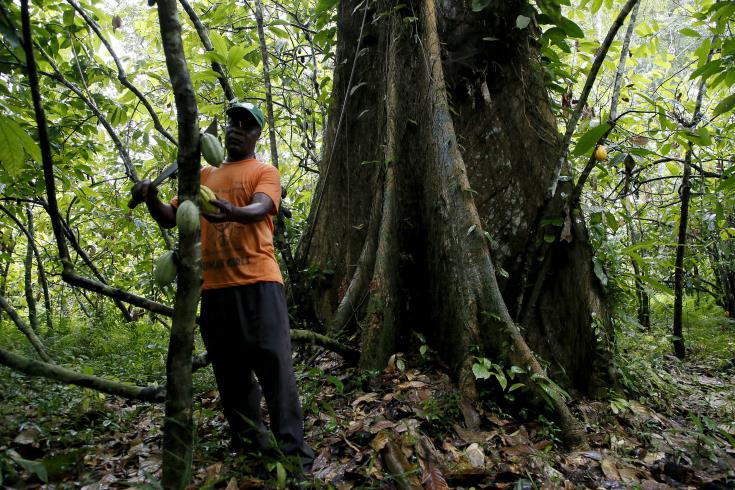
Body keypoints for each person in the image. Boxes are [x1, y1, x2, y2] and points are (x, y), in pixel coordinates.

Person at [131, 101, 314, 471]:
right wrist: (150, 196)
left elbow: (261, 208)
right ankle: (251, 448)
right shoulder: (200, 175)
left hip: (259, 284)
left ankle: (293, 455)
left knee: (276, 368)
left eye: (246, 125)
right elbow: (173, 218)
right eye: (233, 122)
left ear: (257, 134)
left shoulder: (265, 171)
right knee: (231, 377)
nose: (236, 129)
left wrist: (230, 210)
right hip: (214, 290)